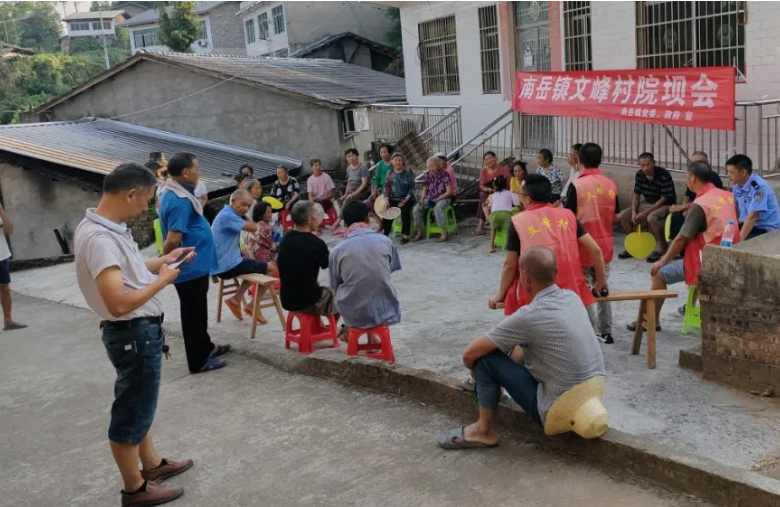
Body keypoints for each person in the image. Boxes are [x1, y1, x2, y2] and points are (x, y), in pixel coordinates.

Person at [74, 163, 195, 506]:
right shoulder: (100, 239)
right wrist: (163, 281)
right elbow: (118, 303)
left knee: (140, 404)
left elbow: (130, 271)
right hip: (132, 333)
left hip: (136, 332)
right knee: (131, 411)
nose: (147, 208)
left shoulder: (107, 227)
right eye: (146, 200)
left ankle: (152, 464)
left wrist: (164, 261)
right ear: (130, 194)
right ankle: (134, 489)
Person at [437, 247, 605, 449]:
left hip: (557, 409)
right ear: (555, 271)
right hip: (594, 391)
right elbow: (522, 348)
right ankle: (490, 389)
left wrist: (477, 374)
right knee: (520, 345)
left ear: (525, 276)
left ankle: (484, 430)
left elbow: (469, 354)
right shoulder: (572, 297)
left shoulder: (529, 316)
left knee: (486, 359)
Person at [634, 160, 740, 331]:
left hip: (706, 261)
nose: (686, 180)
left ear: (693, 178)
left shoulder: (701, 204)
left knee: (658, 273)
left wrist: (663, 260)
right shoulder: (727, 196)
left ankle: (651, 321)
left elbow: (682, 238)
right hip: (730, 255)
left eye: (686, 176)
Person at [488, 174, 607, 318]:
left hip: (536, 293)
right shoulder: (568, 215)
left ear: (528, 199)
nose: (519, 198)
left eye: (520, 194)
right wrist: (601, 282)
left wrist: (500, 294)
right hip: (570, 290)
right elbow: (595, 250)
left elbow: (510, 265)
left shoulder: (518, 221)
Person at [159, 153, 228, 374]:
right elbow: (173, 239)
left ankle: (207, 347)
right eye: (197, 168)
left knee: (198, 311)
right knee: (193, 314)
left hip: (196, 266)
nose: (199, 172)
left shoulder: (178, 193)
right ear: (186, 172)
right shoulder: (179, 200)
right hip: (188, 267)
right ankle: (197, 361)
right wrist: (166, 262)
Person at [564, 143, 620, 344]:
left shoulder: (577, 185)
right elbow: (614, 215)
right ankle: (606, 331)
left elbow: (568, 218)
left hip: (582, 246)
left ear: (579, 160)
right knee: (603, 286)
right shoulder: (610, 184)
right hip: (604, 245)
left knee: (584, 290)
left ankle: (589, 331)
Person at [330, 200, 401, 333]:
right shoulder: (385, 241)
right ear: (368, 219)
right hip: (386, 310)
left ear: (344, 224)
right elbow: (389, 269)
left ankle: (340, 330)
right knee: (375, 281)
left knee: (340, 291)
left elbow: (335, 284)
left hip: (355, 314)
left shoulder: (337, 250)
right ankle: (369, 335)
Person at [211, 189, 276, 323]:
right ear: (233, 202)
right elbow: (253, 228)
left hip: (221, 264)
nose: (246, 208)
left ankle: (236, 299)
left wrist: (241, 214)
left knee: (253, 264)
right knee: (271, 267)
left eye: (248, 206)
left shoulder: (226, 213)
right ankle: (253, 305)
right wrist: (245, 216)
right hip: (226, 266)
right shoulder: (228, 216)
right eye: (243, 204)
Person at [277, 201, 338, 318]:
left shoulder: (285, 238)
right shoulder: (315, 242)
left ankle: (321, 327)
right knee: (342, 295)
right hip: (308, 301)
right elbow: (330, 266)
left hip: (287, 300)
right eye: (316, 215)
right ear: (309, 219)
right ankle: (336, 327)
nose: (318, 218)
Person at [617, 152, 676, 262]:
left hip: (665, 204)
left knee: (652, 218)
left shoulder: (664, 174)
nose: (645, 168)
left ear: (653, 163)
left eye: (648, 165)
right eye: (642, 165)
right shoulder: (639, 175)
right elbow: (636, 196)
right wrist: (634, 212)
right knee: (624, 215)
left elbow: (664, 199)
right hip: (648, 202)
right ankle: (633, 246)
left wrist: (646, 212)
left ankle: (663, 247)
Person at [668, 151, 724, 241]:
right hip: (693, 206)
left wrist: (684, 207)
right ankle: (676, 243)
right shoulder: (692, 176)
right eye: (692, 163)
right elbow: (687, 196)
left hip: (707, 209)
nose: (693, 166)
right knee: (676, 215)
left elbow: (707, 201)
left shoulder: (712, 177)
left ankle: (683, 242)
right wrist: (683, 208)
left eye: (697, 163)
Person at [728, 154, 780, 240]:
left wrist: (738, 242)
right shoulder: (737, 186)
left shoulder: (759, 188)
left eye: (731, 172)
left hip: (765, 229)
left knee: (739, 243)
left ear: (743, 172)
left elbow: (752, 217)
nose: (728, 175)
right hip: (748, 225)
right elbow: (734, 209)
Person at [413, 156, 453, 242]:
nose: (431, 168)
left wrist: (439, 198)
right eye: (429, 166)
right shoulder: (427, 174)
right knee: (416, 209)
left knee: (437, 208)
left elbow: (449, 191)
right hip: (430, 198)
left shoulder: (444, 174)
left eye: (433, 166)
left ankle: (444, 232)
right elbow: (425, 188)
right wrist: (422, 198)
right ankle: (420, 232)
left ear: (438, 165)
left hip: (443, 197)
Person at [0, 200, 26, 331]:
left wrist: (1, 210)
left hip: (1, 254)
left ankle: (8, 321)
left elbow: (9, 230)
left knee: (4, 288)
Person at [381, 152, 416, 244]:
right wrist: (386, 201)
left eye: (400, 160)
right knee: (387, 209)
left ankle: (405, 235)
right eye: (396, 160)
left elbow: (412, 188)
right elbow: (386, 188)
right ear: (392, 161)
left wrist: (406, 199)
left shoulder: (408, 172)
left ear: (403, 161)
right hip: (394, 198)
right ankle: (385, 233)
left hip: (407, 198)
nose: (398, 162)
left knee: (405, 210)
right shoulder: (389, 173)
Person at [333, 148, 370, 234]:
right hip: (352, 192)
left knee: (348, 201)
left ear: (357, 156)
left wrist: (353, 194)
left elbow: (364, 184)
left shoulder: (363, 168)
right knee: (340, 200)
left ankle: (337, 222)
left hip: (362, 192)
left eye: (352, 155)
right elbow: (349, 183)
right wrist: (346, 194)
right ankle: (347, 222)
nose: (351, 158)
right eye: (348, 156)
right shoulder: (348, 168)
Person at [475, 151, 510, 235]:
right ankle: (486, 222)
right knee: (483, 195)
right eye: (486, 159)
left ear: (495, 158)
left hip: (501, 192)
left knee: (483, 200)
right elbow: (481, 185)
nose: (488, 161)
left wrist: (498, 190)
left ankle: (482, 224)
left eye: (490, 158)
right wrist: (487, 189)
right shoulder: (483, 171)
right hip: (488, 193)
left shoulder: (503, 170)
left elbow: (508, 184)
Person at [487, 175, 519, 254]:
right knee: (508, 231)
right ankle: (508, 246)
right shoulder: (510, 193)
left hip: (495, 215)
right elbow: (516, 203)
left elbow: (488, 205)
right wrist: (523, 208)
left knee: (493, 229)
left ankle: (491, 246)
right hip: (506, 214)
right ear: (506, 184)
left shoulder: (493, 195)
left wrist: (488, 216)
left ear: (495, 185)